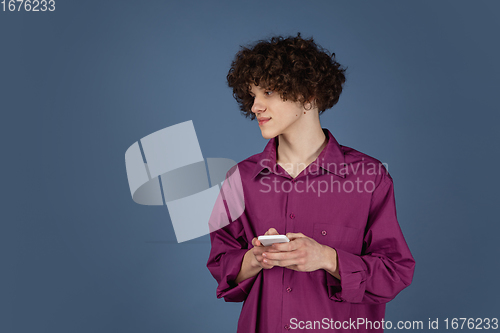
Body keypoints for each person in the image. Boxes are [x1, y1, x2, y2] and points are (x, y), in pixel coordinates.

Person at [207, 33, 415, 332]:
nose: (255, 107)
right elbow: (222, 265)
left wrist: (327, 258)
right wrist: (254, 258)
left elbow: (396, 273)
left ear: (307, 95)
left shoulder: (369, 177)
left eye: (267, 92)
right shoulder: (240, 179)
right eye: (252, 96)